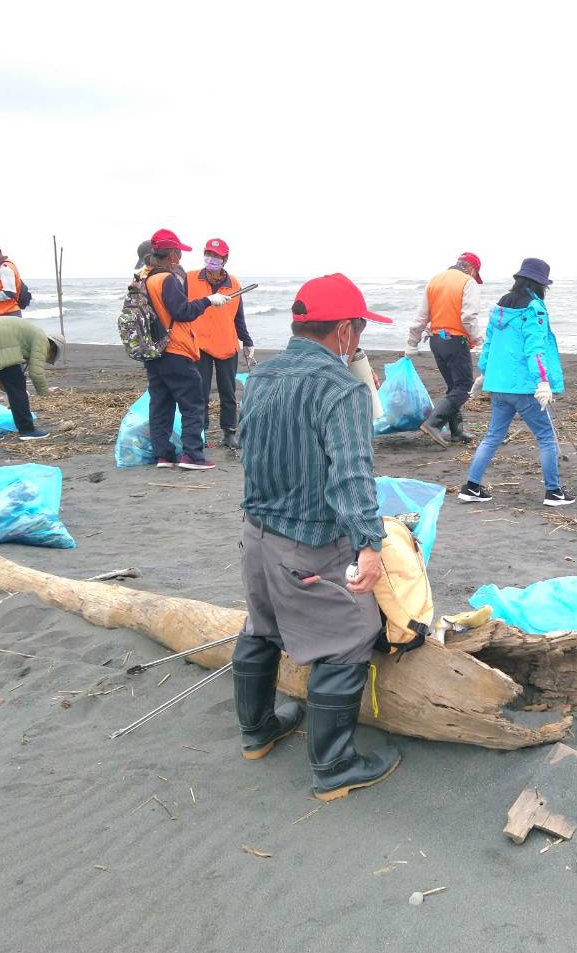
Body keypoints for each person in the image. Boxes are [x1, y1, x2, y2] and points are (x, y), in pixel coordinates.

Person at [235, 272, 400, 801]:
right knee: (353, 629)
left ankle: (257, 732)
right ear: (346, 331)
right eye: (360, 332)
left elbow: (248, 449)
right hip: (305, 541)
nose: (360, 342)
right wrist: (370, 545)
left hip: (256, 533)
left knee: (262, 624)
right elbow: (352, 475)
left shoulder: (261, 376)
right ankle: (334, 767)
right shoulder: (341, 388)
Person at [457, 259, 573, 507]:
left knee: (492, 436)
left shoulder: (500, 306)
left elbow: (489, 345)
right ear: (541, 284)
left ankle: (471, 487)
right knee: (545, 436)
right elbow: (535, 349)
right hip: (524, 387)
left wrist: (484, 374)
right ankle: (553, 492)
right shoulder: (534, 308)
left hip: (498, 386)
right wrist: (542, 381)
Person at [138, 228, 222, 470]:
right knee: (193, 402)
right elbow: (182, 312)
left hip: (154, 351)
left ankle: (163, 455)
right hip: (175, 349)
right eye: (179, 254)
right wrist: (208, 301)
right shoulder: (167, 280)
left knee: (160, 404)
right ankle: (193, 456)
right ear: (173, 255)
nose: (180, 259)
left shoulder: (145, 279)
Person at [405, 252, 485, 447]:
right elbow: (468, 317)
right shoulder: (468, 282)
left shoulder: (435, 281)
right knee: (464, 386)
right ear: (472, 269)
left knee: (453, 386)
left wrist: (412, 343)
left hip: (437, 340)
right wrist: (480, 342)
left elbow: (422, 316)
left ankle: (456, 432)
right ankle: (433, 423)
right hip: (456, 341)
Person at [188, 238, 255, 450]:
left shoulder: (233, 284)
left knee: (228, 391)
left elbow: (239, 317)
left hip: (227, 345)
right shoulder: (189, 279)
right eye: (209, 254)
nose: (212, 259)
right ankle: (201, 432)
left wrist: (247, 340)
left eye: (217, 256)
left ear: (225, 259)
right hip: (199, 344)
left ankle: (229, 432)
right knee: (200, 391)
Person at [0, 314, 63, 441]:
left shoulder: (27, 336)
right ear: (53, 347)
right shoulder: (42, 340)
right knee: (17, 386)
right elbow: (36, 372)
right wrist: (44, 392)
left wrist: (10, 389)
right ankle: (27, 429)